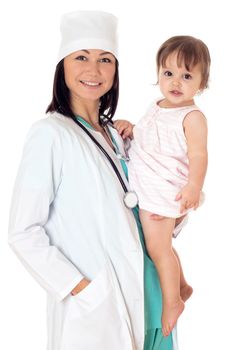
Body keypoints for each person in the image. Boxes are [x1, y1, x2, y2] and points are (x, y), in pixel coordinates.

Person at [8, 10, 179, 350]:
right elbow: (22, 231)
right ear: (63, 67)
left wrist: (176, 215)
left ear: (115, 71)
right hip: (101, 309)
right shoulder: (50, 134)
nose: (94, 70)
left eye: (105, 59)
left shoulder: (118, 135)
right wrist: (79, 287)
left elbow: (139, 210)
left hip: (153, 298)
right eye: (81, 57)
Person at [114, 35, 210, 337]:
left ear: (202, 84)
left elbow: (198, 154)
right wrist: (132, 129)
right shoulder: (157, 105)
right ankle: (181, 285)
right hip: (149, 184)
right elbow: (149, 137)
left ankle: (172, 301)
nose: (175, 82)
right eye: (168, 73)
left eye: (186, 76)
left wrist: (194, 186)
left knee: (157, 248)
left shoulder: (192, 117)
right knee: (164, 244)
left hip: (164, 190)